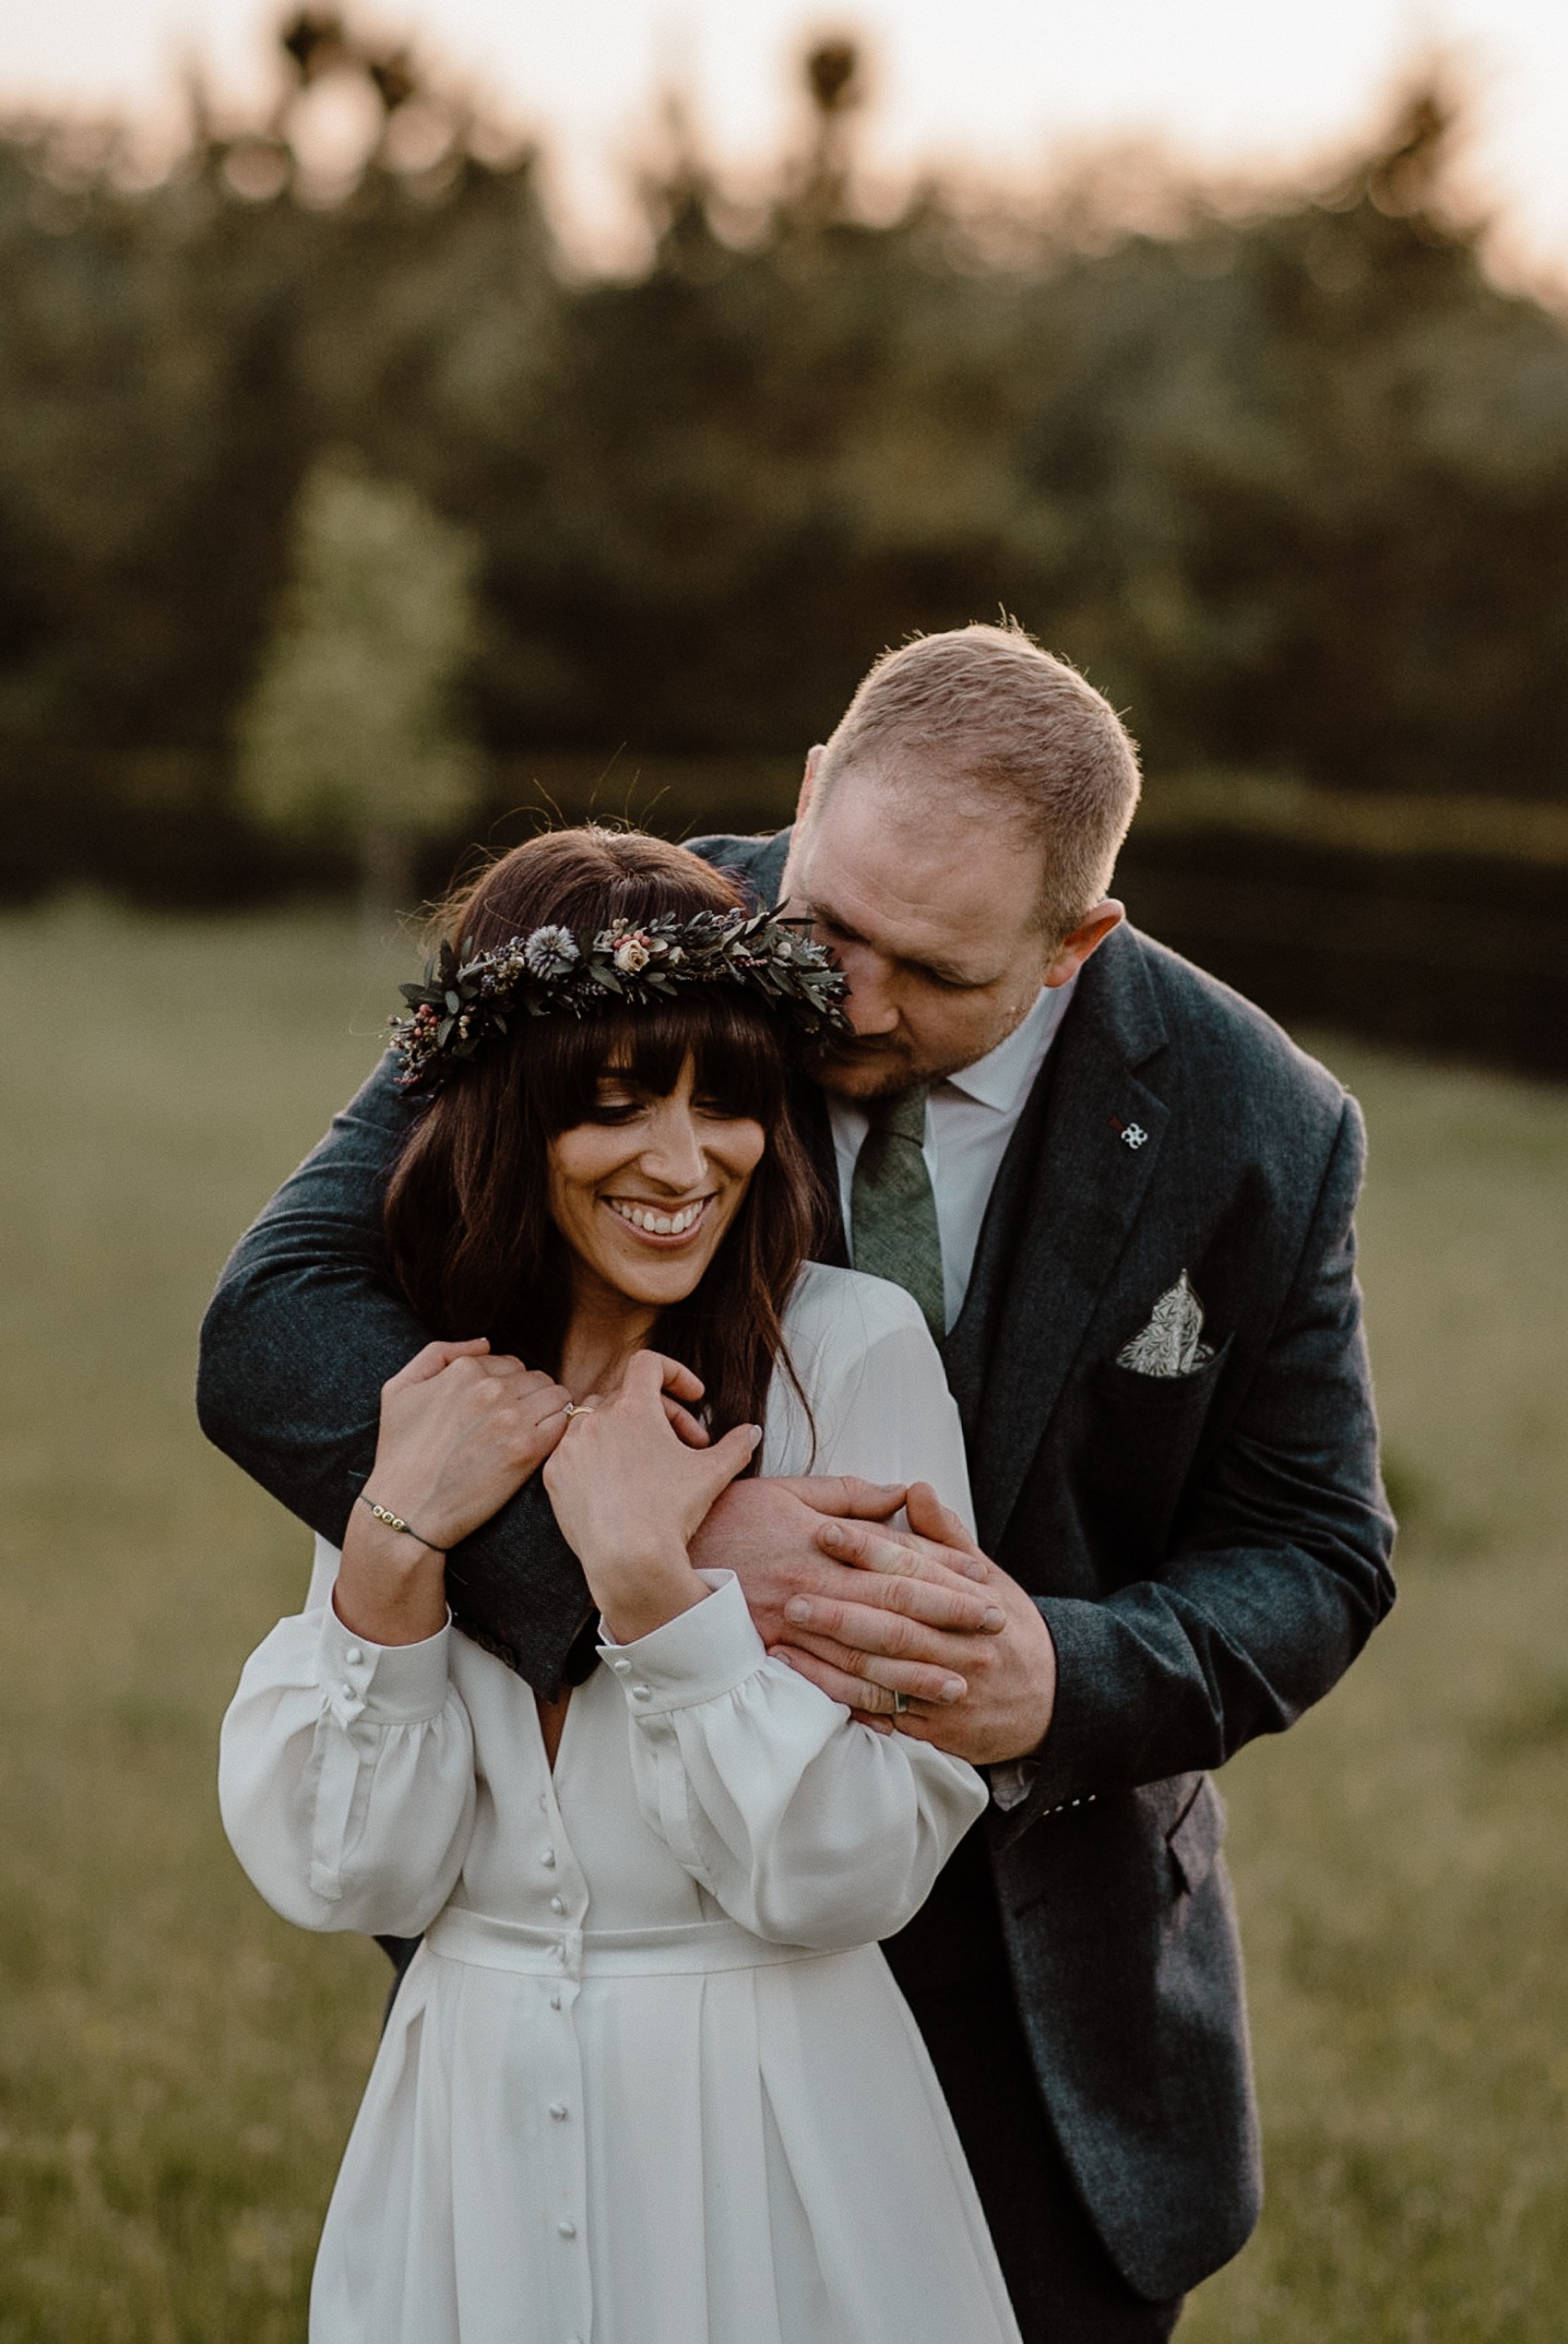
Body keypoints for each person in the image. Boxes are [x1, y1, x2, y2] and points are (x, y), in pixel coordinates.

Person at [200, 622, 1397, 2343]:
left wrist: (1051, 1676)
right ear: (815, 789)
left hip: (1030, 1965)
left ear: (1078, 943)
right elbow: (279, 1320)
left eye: (935, 970)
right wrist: (676, 1537)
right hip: (594, 1952)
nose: (849, 993)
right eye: (830, 922)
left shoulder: (1257, 1119)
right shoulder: (614, 945)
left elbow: (1314, 1549)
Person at [218, 827, 1025, 2343]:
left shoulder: (850, 1359)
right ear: (509, 1122)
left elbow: (856, 1869)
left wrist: (658, 1593)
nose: (682, 1159)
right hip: (464, 2139)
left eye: (726, 1102)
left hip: (778, 2136)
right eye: (614, 1107)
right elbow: (351, 1875)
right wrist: (395, 1551)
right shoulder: (433, 1389)